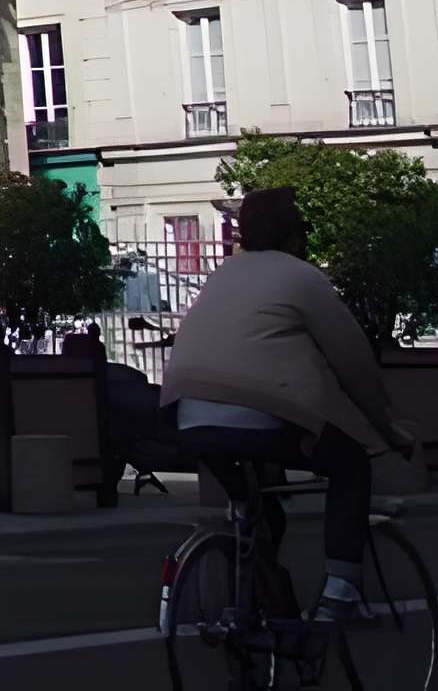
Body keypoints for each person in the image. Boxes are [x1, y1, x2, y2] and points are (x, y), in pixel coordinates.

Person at [165, 185, 419, 624]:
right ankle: (341, 589)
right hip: (257, 414)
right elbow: (352, 361)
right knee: (350, 464)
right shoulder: (302, 277)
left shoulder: (222, 275)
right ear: (294, 238)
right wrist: (387, 426)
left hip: (187, 416)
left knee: (257, 510)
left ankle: (255, 602)